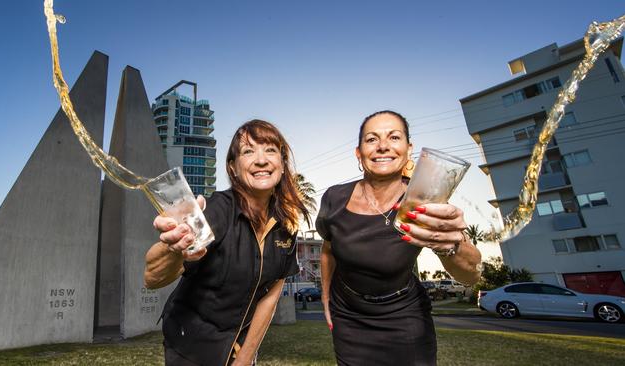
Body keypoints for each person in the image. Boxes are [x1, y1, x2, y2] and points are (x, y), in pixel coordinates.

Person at [316, 110, 481, 366]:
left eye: (394, 137)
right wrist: (325, 297)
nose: (383, 146)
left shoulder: (425, 201)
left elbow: (471, 275)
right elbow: (328, 250)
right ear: (358, 153)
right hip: (348, 315)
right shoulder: (334, 199)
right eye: (371, 139)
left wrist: (450, 245)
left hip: (404, 315)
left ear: (408, 149)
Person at [144, 120, 310, 366]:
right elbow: (152, 278)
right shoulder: (217, 211)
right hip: (191, 346)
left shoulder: (285, 225)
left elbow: (269, 298)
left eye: (270, 150)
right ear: (233, 168)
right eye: (248, 151)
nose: (261, 160)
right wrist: (174, 248)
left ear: (282, 165)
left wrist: (244, 358)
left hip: (237, 346)